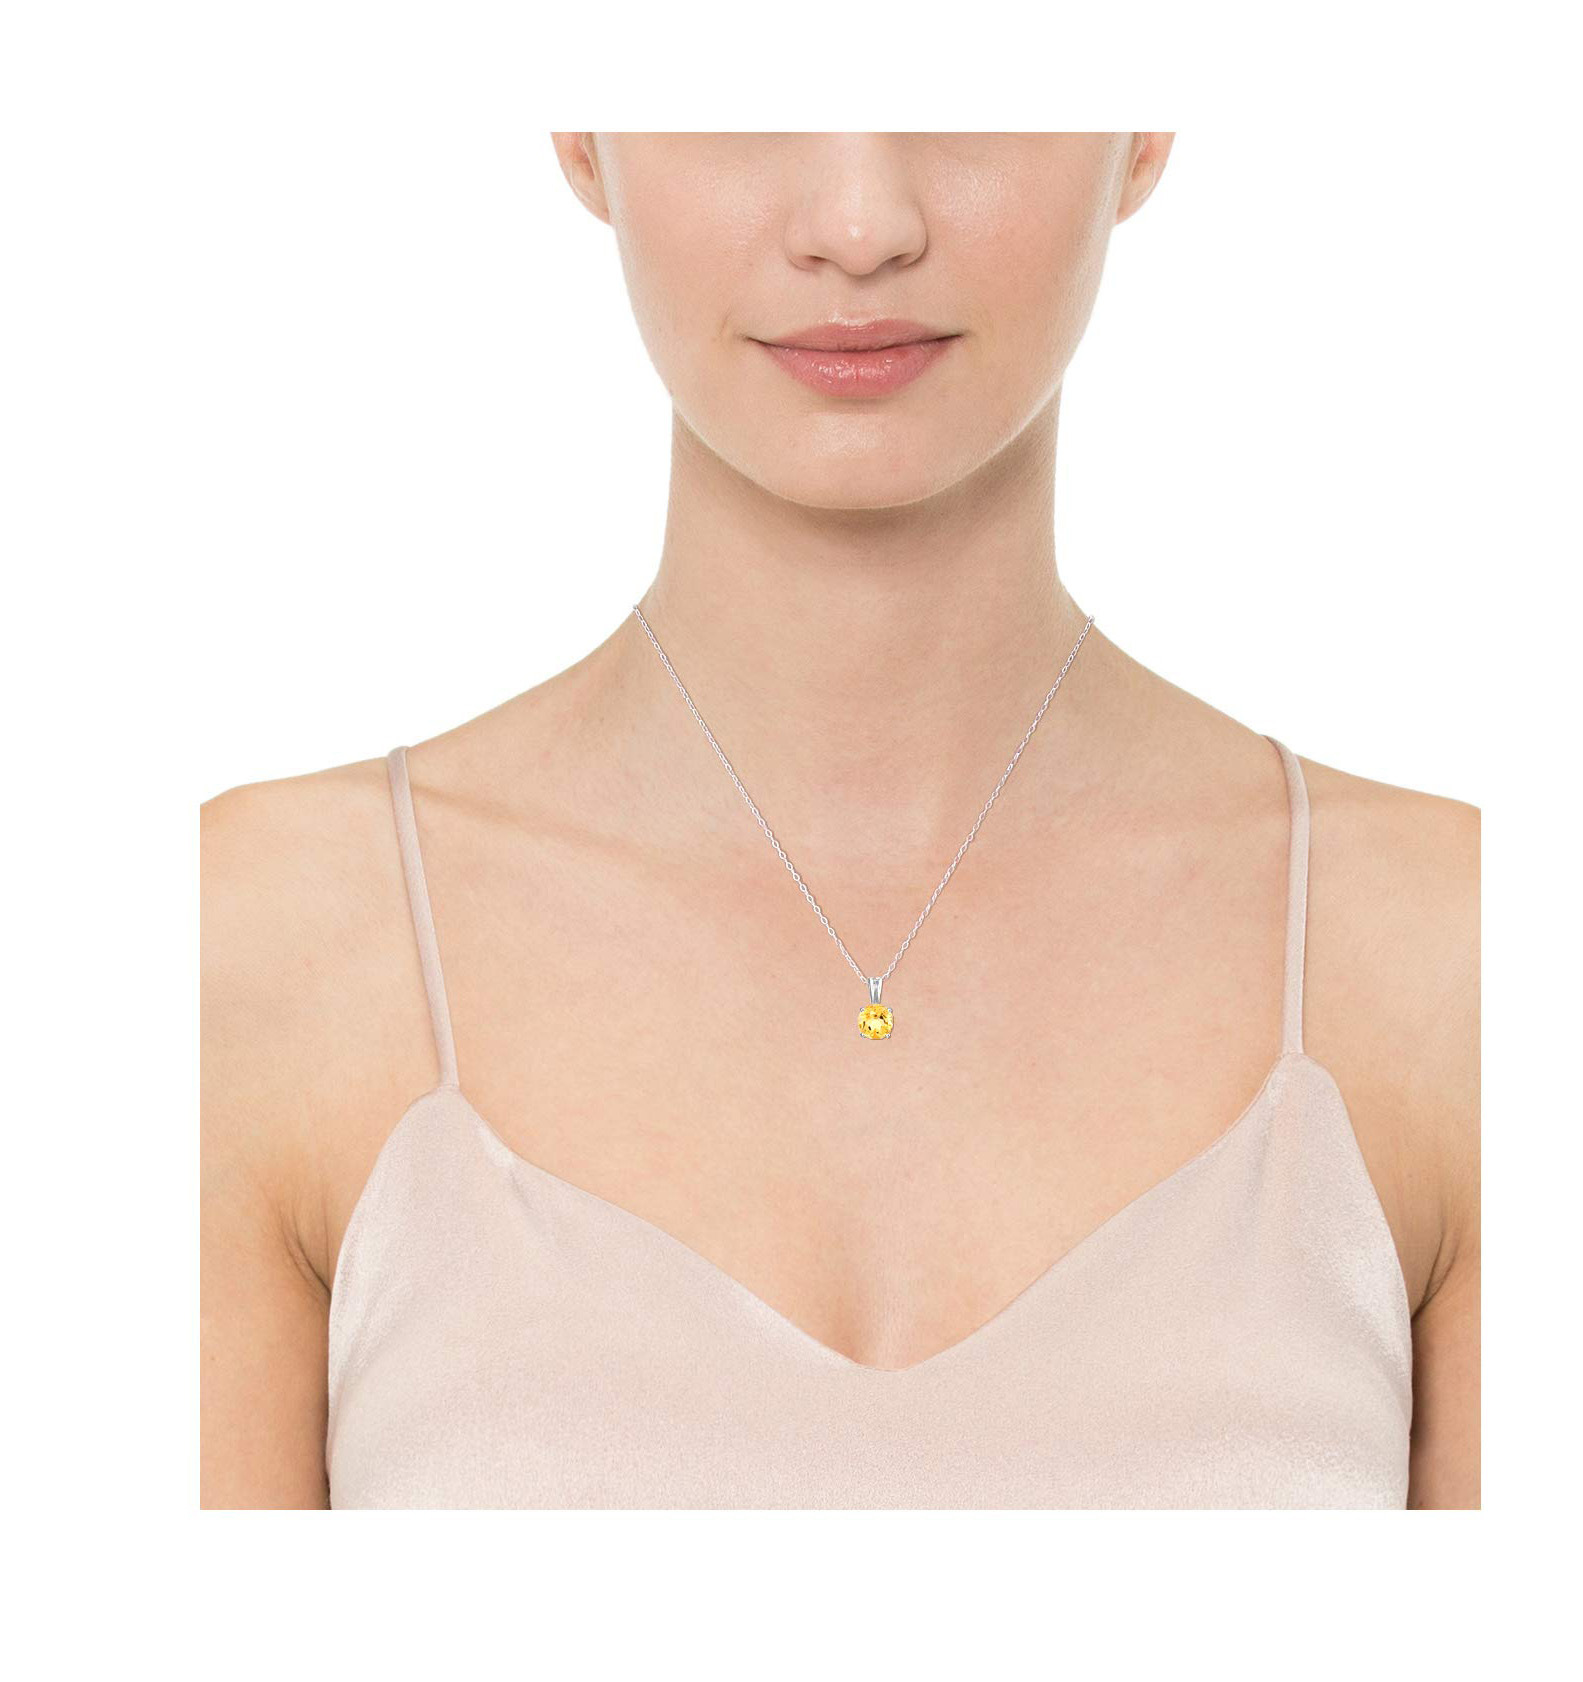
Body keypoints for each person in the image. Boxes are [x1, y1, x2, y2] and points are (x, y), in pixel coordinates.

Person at [201, 133, 1479, 1508]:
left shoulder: (1449, 961)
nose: (861, 227)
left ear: (1141, 124)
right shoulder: (265, 945)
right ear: (582, 129)